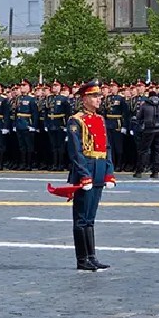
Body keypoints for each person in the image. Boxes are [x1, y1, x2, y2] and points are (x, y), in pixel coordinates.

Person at [64, 80, 115, 271]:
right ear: (85, 99)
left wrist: (109, 172)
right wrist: (84, 174)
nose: (99, 99)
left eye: (99, 96)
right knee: (81, 218)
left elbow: (106, 147)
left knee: (91, 218)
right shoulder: (76, 120)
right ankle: (82, 259)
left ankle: (92, 256)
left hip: (99, 168)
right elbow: (75, 151)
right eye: (95, 96)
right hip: (85, 169)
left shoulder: (100, 119)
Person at [134, 89, 159, 179]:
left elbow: (138, 117)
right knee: (158, 151)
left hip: (148, 130)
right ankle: (155, 172)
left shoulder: (145, 104)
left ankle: (139, 171)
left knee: (144, 150)